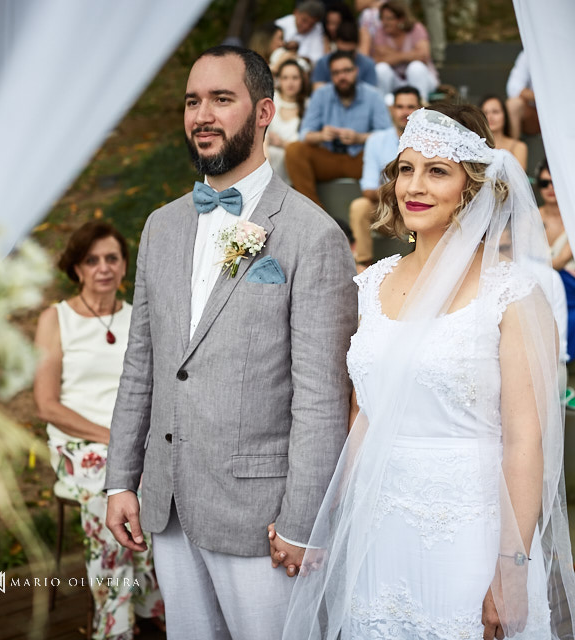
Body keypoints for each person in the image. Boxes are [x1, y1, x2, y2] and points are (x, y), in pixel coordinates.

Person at [281, 105, 575, 639]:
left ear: (472, 188)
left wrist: (510, 568)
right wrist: (336, 522)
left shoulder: (512, 295)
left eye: (437, 170)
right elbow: (362, 417)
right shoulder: (369, 287)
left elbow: (524, 441)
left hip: (469, 532)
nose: (414, 186)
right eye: (406, 168)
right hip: (379, 530)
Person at [104, 46, 357, 639]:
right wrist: (121, 478)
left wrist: (302, 522)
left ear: (264, 111)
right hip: (165, 505)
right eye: (193, 101)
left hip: (262, 519)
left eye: (222, 99)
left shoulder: (312, 236)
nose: (202, 115)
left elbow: (321, 398)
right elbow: (142, 362)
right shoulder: (160, 227)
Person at [34, 221, 163, 639]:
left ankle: (148, 605)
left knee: (158, 487)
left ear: (125, 266)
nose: (103, 268)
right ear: (76, 268)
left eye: (112, 258)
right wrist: (112, 437)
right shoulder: (56, 319)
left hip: (134, 441)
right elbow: (47, 404)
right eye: (92, 260)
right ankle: (115, 625)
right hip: (80, 443)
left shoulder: (139, 317)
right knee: (111, 492)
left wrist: (134, 440)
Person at [285, 50, 391, 208]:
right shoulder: (321, 95)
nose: (342, 77)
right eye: (336, 73)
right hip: (329, 157)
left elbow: (387, 136)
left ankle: (381, 213)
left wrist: (358, 138)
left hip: (361, 159)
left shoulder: (373, 95)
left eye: (347, 71)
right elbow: (304, 134)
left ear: (356, 71)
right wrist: (321, 135)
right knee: (294, 150)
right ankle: (315, 212)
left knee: (390, 154)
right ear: (331, 76)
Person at [349, 85, 420, 268]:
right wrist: (399, 191)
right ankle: (362, 264)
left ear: (420, 110)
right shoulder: (377, 140)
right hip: (386, 212)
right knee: (360, 206)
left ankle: (418, 264)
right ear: (392, 110)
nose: (405, 112)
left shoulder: (427, 143)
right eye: (400, 107)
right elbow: (368, 189)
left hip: (417, 210)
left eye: (410, 107)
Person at [537, 159, 575, 361]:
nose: (550, 188)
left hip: (567, 280)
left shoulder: (574, 218)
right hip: (541, 277)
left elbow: (559, 261)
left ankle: (557, 358)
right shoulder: (531, 215)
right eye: (544, 183)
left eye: (554, 182)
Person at [370, 0, 440, 102]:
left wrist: (393, 55)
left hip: (422, 80)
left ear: (401, 19)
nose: (385, 23)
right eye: (382, 19)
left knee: (416, 67)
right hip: (396, 81)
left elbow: (423, 56)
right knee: (381, 68)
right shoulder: (380, 32)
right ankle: (384, 106)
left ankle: (420, 106)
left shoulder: (416, 28)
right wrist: (410, 54)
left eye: (389, 19)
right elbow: (377, 61)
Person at [267, 58, 311, 184]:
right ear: (279, 80)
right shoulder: (271, 100)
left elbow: (306, 146)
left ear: (302, 80)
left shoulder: (309, 105)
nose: (290, 83)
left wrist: (282, 143)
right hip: (268, 159)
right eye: (285, 78)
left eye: (295, 78)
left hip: (295, 163)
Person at [311, 21, 377, 90]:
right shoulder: (323, 63)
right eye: (341, 52)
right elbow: (317, 90)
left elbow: (371, 94)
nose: (345, 57)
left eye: (350, 53)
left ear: (357, 45)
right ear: (336, 43)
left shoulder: (368, 64)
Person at [481, 94, 528, 170]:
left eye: (495, 112)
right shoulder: (475, 145)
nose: (490, 117)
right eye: (485, 113)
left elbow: (518, 178)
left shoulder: (519, 147)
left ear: (505, 116)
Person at [275, 1, 328, 66]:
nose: (306, 26)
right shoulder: (279, 25)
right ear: (296, 12)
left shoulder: (318, 28)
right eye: (304, 20)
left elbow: (317, 59)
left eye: (311, 24)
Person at [505, 50, 539, 139]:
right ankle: (513, 150)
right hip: (535, 114)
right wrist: (540, 98)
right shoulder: (528, 54)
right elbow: (513, 88)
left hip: (562, 110)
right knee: (513, 104)